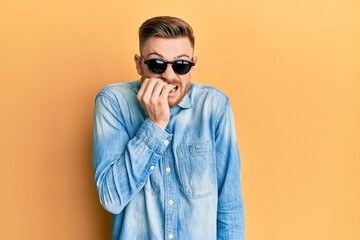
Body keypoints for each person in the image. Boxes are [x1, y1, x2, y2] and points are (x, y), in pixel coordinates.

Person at [92, 16, 244, 240]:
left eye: (181, 65)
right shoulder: (113, 102)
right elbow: (111, 198)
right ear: (138, 64)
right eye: (157, 64)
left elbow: (229, 206)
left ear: (192, 65)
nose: (169, 76)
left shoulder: (214, 106)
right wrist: (155, 125)